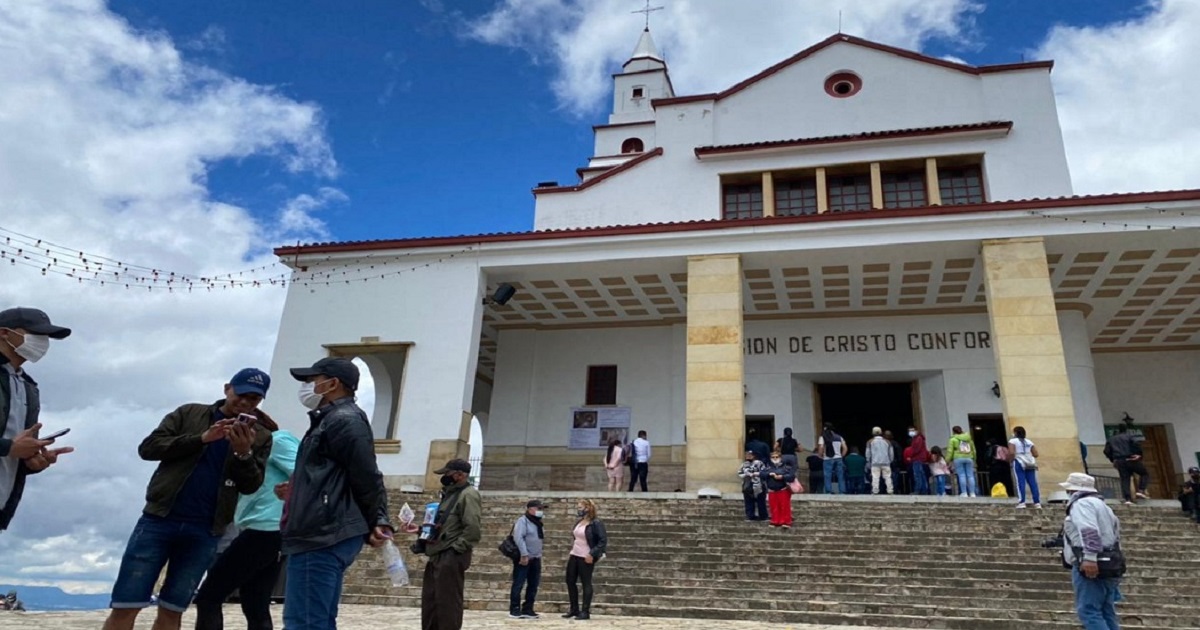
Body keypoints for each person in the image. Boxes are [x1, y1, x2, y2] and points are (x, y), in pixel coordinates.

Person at [104, 369, 273, 630]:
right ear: (227, 388)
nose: (245, 402)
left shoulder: (260, 435)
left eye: (254, 398)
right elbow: (149, 448)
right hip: (160, 518)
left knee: (174, 608)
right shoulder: (190, 413)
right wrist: (202, 439)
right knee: (127, 604)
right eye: (241, 394)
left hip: (206, 528)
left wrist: (243, 454)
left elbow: (251, 485)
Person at [281, 357, 392, 630]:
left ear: (332, 384)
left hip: (322, 532)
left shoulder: (343, 420)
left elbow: (366, 474)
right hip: (323, 528)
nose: (308, 386)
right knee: (316, 619)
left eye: (312, 380)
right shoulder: (329, 420)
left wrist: (378, 518)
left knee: (304, 623)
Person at [194, 416, 300, 630]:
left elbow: (305, 473)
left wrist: (291, 488)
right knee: (255, 603)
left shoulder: (278, 440)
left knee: (209, 596)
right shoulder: (253, 452)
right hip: (266, 529)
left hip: (265, 528)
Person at [0, 307, 73, 533]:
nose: (43, 342)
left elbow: (12, 451)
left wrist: (31, 461)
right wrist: (10, 447)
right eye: (36, 334)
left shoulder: (27, 386)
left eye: (46, 337)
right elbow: (9, 447)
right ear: (4, 333)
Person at [416, 458, 482, 630]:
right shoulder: (449, 495)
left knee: (448, 603)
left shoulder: (468, 495)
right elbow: (444, 525)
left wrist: (455, 550)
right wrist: (418, 530)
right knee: (431, 602)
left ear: (460, 475)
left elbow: (473, 529)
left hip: (450, 555)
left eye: (448, 473)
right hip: (437, 553)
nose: (444, 477)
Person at [1059, 473, 1122, 630]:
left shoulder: (1082, 505)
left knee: (1089, 610)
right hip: (1109, 560)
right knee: (1106, 611)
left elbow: (1089, 530)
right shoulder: (1104, 506)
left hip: (1092, 562)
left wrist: (1090, 558)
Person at [563, 498, 607, 620]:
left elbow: (602, 541)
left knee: (586, 582)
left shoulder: (596, 523)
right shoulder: (579, 522)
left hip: (586, 556)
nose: (579, 510)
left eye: (580, 508)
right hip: (575, 554)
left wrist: (592, 554)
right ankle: (574, 608)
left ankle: (585, 611)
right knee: (570, 580)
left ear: (588, 508)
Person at [510, 499, 545, 619]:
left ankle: (528, 608)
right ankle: (514, 608)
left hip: (536, 557)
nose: (540, 511)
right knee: (519, 583)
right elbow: (519, 538)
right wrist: (524, 554)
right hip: (524, 557)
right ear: (530, 509)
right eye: (538, 508)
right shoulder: (522, 521)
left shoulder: (538, 522)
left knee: (533, 584)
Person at [1103, 425, 1150, 504]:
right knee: (1144, 474)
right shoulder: (1129, 437)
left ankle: (1127, 499)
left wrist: (1113, 459)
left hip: (1120, 461)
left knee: (1125, 479)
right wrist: (1138, 454)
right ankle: (1141, 490)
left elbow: (1106, 451)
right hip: (1131, 459)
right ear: (1125, 431)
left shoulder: (1111, 439)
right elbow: (1136, 445)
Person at [1008, 426, 1042, 509]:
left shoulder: (1012, 441)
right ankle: (1037, 502)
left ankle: (1022, 502)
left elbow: (1012, 452)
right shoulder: (1029, 441)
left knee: (1020, 482)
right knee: (1033, 482)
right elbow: (1036, 454)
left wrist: (1010, 461)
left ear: (1015, 433)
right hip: (1030, 462)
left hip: (1019, 461)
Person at [761, 451, 795, 528]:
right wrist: (769, 474)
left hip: (783, 489)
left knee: (784, 506)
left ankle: (786, 521)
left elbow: (791, 477)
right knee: (773, 506)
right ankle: (775, 521)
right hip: (772, 490)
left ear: (780, 458)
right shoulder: (768, 467)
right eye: (773, 457)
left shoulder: (786, 467)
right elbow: (761, 474)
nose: (775, 458)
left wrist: (782, 477)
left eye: (777, 457)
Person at [816, 423, 847, 494]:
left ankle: (828, 491)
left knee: (827, 476)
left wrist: (820, 455)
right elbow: (845, 448)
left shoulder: (822, 437)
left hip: (827, 459)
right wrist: (841, 456)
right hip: (838, 458)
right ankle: (842, 491)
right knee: (840, 475)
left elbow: (821, 447)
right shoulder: (839, 437)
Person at [947, 426, 977, 497]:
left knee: (961, 475)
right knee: (970, 475)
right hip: (969, 457)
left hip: (958, 458)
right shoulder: (969, 439)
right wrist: (974, 459)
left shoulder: (953, 439)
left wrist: (947, 460)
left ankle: (964, 492)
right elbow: (974, 450)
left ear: (953, 431)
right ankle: (972, 493)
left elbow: (950, 451)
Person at [737, 451, 767, 521]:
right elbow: (740, 473)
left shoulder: (760, 463)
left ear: (754, 456)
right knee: (749, 501)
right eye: (747, 455)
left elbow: (764, 472)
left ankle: (763, 516)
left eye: (750, 455)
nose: (748, 456)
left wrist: (757, 474)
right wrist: (747, 474)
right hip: (748, 485)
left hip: (759, 485)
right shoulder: (743, 464)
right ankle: (750, 516)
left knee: (761, 502)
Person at [866, 427, 894, 495]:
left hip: (875, 463)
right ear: (881, 433)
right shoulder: (887, 441)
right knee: (887, 477)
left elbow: (868, 453)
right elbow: (891, 453)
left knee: (875, 477)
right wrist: (890, 460)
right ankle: (890, 490)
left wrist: (868, 461)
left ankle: (875, 491)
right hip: (886, 463)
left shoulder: (870, 441)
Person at [906, 426, 930, 495]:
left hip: (917, 458)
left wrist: (911, 455)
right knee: (922, 475)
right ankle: (924, 490)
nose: (910, 432)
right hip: (920, 458)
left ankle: (918, 490)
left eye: (912, 430)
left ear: (916, 430)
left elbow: (916, 449)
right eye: (909, 431)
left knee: (917, 475)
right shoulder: (918, 438)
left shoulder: (918, 439)